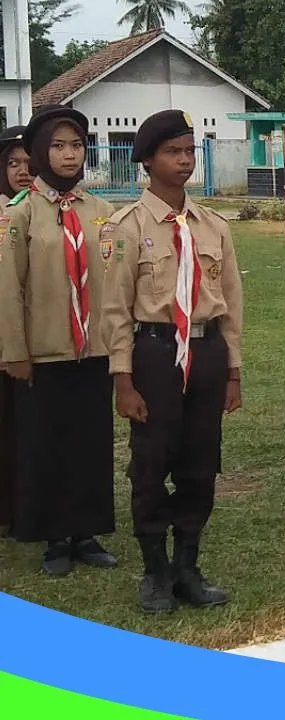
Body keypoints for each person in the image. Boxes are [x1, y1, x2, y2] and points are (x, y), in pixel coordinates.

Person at [100, 110, 242, 613]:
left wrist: (232, 369)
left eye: (188, 151)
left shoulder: (213, 226)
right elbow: (115, 311)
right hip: (155, 354)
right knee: (152, 462)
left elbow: (231, 301)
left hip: (204, 350)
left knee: (201, 463)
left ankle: (188, 567)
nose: (183, 161)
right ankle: (155, 571)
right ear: (146, 161)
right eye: (172, 152)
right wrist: (123, 380)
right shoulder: (123, 228)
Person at [0, 105, 117, 576]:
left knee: (91, 440)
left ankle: (86, 532)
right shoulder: (21, 215)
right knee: (45, 442)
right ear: (39, 153)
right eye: (58, 146)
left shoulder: (102, 212)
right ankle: (53, 536)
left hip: (93, 349)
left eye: (76, 145)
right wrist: (15, 353)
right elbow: (9, 290)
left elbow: (114, 279)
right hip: (44, 350)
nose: (69, 155)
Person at [0, 124, 28, 539]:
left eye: (29, 162)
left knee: (27, 424)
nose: (23, 171)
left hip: (33, 335)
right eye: (12, 163)